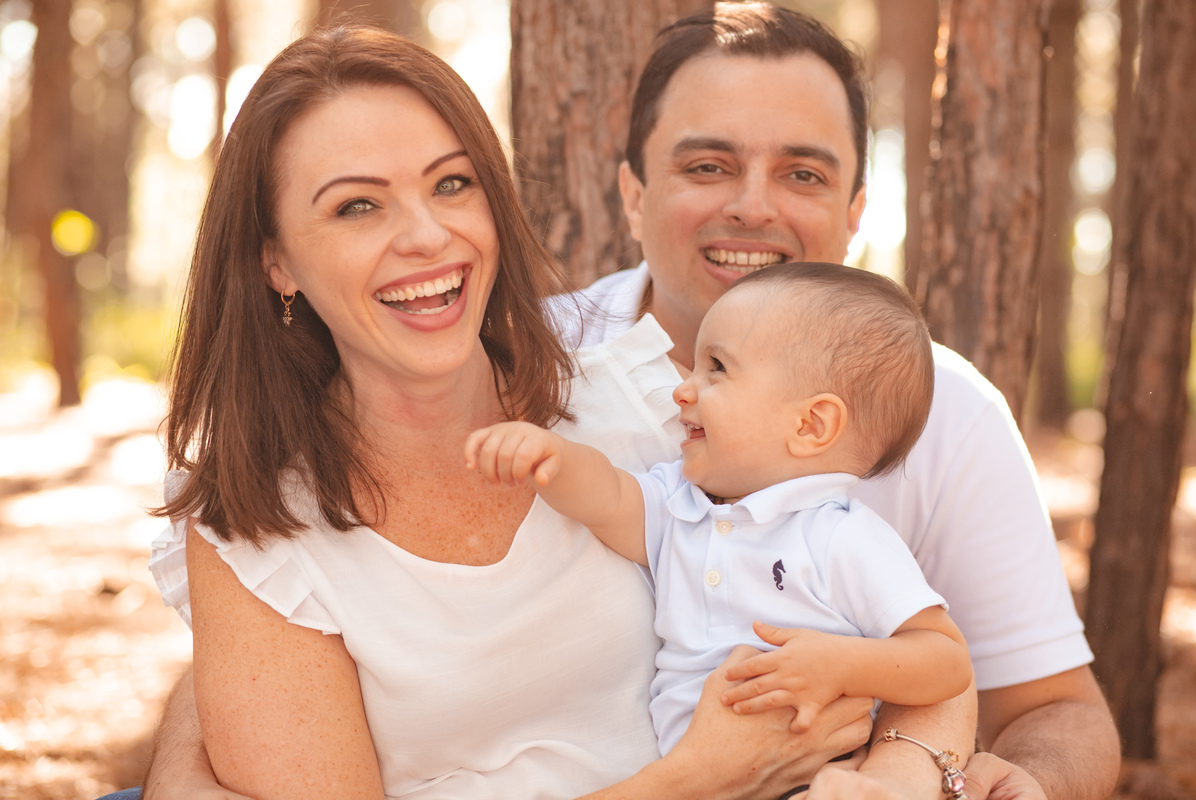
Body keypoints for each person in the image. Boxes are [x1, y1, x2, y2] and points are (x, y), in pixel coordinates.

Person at [115, 21, 907, 800]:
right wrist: (695, 780)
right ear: (276, 261)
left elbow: (908, 641)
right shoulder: (261, 536)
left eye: (451, 184)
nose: (427, 236)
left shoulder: (654, 409)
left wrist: (903, 772)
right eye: (357, 206)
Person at [563, 3, 1120, 798]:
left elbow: (1056, 706)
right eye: (709, 166)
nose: (753, 207)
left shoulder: (949, 410)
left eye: (803, 174)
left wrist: (1026, 781)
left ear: (855, 211)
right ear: (632, 194)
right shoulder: (526, 367)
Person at [467, 262, 974, 760]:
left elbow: (946, 659)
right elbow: (610, 498)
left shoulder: (841, 537)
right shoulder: (683, 504)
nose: (682, 389)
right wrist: (553, 457)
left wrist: (844, 665)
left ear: (810, 426)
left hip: (815, 770)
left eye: (717, 368)